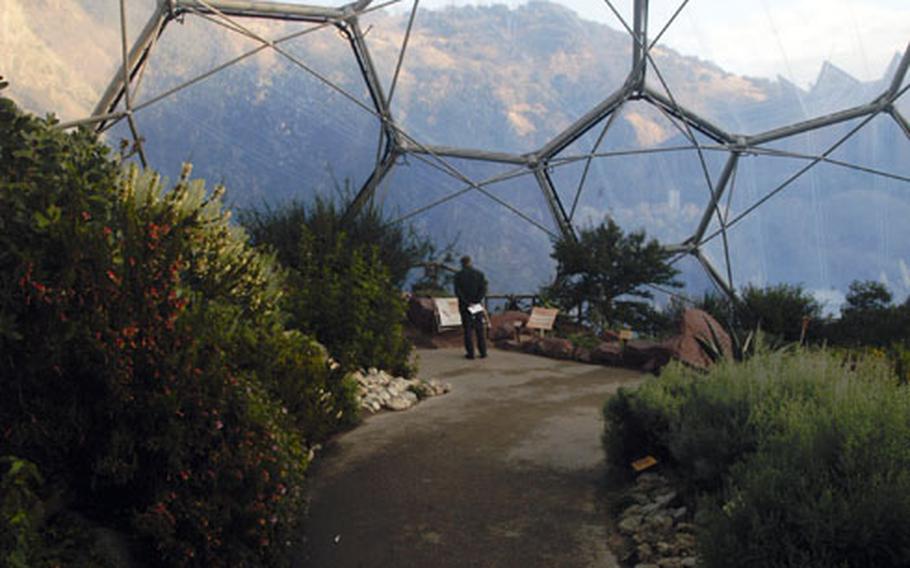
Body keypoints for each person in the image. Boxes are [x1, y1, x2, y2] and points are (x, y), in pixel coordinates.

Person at [453, 255, 488, 359]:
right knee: (479, 328)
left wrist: (467, 302)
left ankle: (470, 352)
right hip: (477, 305)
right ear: (470, 262)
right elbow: (483, 289)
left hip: (465, 305)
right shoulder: (479, 274)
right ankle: (483, 351)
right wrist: (476, 301)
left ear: (462, 263)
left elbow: (458, 292)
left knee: (467, 329)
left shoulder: (458, 276)